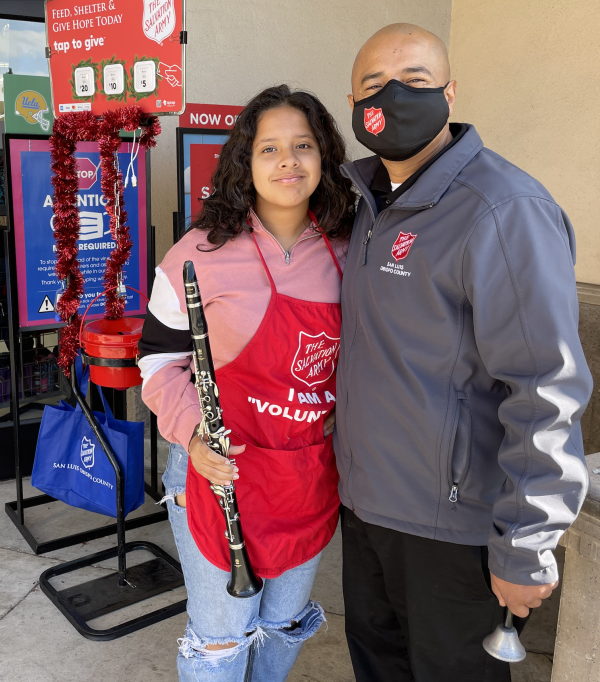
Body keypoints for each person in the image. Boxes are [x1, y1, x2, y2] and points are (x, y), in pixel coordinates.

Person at [334, 23, 593, 682]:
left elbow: (545, 385)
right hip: (366, 509)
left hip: (449, 529)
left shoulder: (503, 210)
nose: (393, 96)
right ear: (352, 101)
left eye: (415, 81)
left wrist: (529, 540)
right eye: (373, 85)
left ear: (450, 92)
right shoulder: (363, 201)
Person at [138, 84, 355, 681]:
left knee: (284, 622)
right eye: (270, 149)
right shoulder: (197, 254)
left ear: (324, 156)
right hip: (216, 474)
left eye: (303, 145)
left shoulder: (350, 250)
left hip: (303, 475)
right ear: (244, 162)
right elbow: (157, 363)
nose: (288, 161)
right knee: (221, 638)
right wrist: (194, 438)